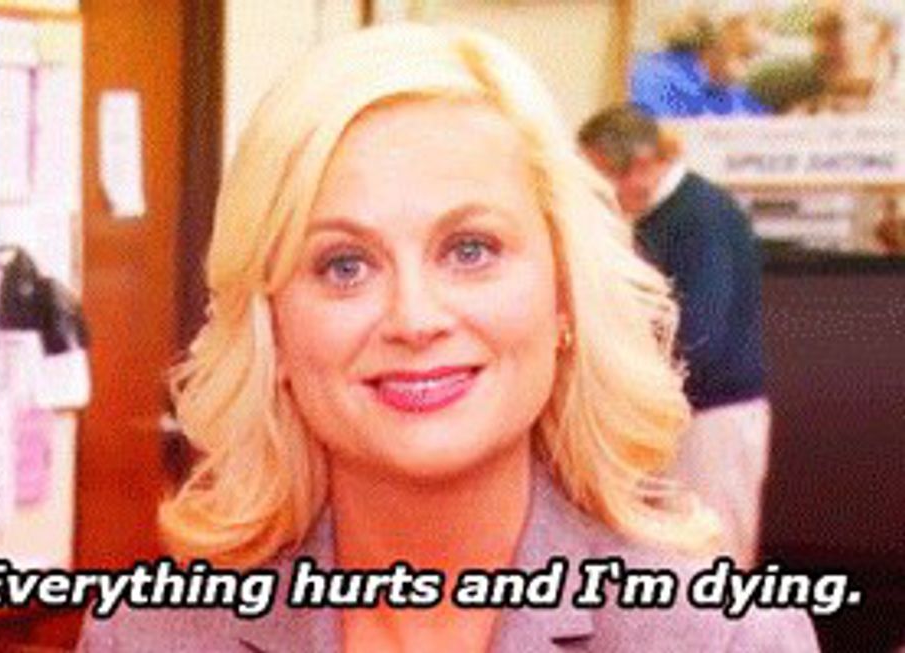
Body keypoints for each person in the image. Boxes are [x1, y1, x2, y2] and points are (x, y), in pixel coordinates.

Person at [78, 24, 817, 652]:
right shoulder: (149, 634)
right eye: (344, 265)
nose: (414, 318)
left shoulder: (722, 638)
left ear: (564, 292)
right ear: (272, 325)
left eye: (470, 249)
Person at [578, 104, 770, 570]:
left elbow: (700, 335)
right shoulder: (660, 216)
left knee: (712, 560)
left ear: (642, 165)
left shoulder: (702, 216)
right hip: (674, 414)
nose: (597, 195)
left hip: (712, 418)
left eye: (602, 179)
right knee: (665, 560)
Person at [630, 10, 769, 117]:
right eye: (758, 21)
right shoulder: (652, 78)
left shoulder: (734, 93)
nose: (762, 39)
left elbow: (765, 132)